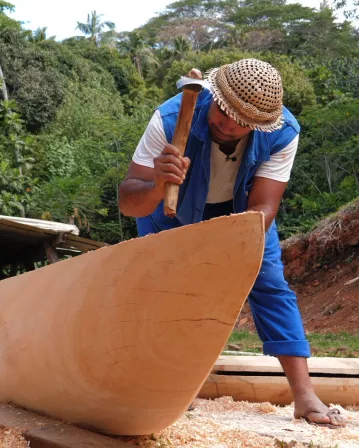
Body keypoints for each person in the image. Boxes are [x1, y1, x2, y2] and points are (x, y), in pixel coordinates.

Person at [117, 58, 346, 428]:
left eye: (242, 122)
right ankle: (166, 388)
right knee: (164, 290)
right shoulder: (169, 118)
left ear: (260, 124)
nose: (227, 125)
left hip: (243, 214)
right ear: (215, 95)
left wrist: (231, 250)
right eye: (223, 111)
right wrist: (158, 185)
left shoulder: (283, 132)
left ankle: (304, 396)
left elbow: (264, 206)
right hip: (168, 209)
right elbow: (129, 202)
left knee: (270, 285)